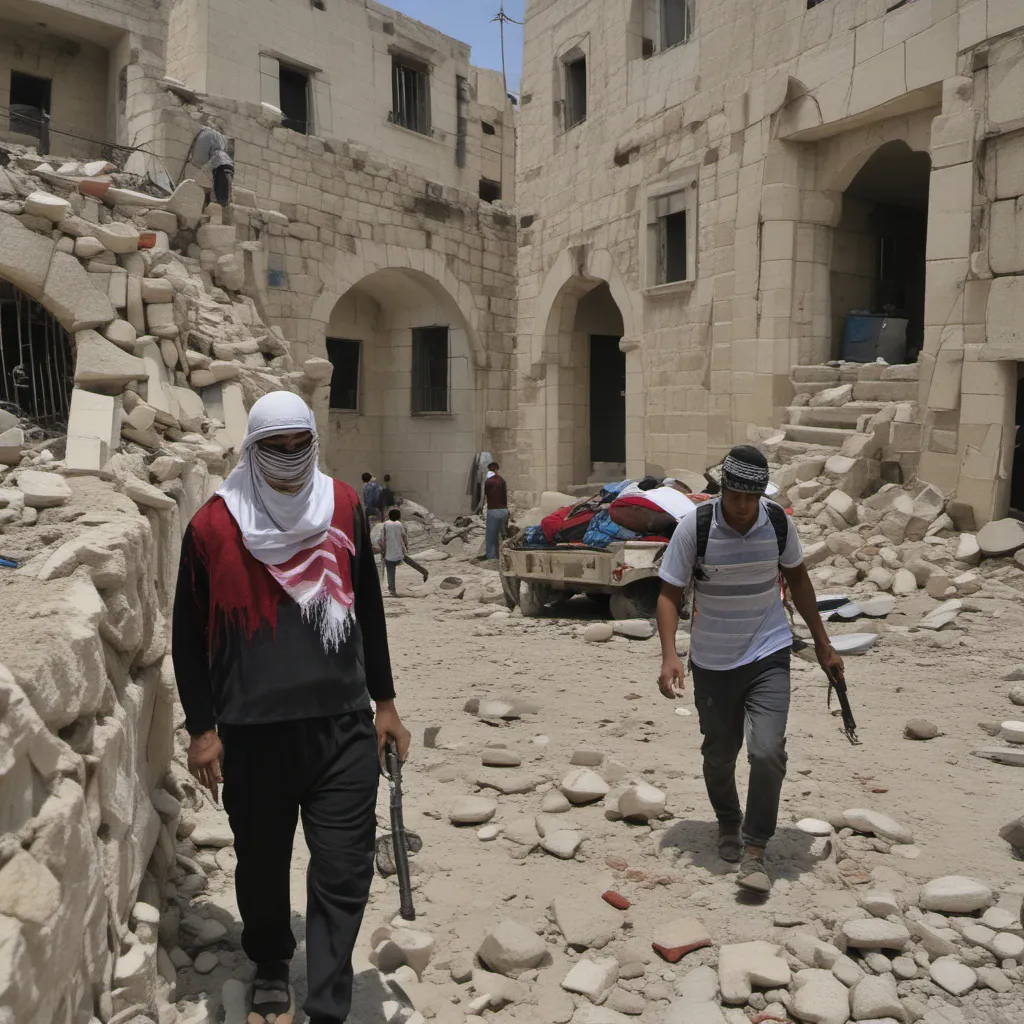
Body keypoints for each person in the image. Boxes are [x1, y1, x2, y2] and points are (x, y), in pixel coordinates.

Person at [172, 392, 410, 1024]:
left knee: (344, 867)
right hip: (251, 733)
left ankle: (328, 1001)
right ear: (251, 449)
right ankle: (272, 961)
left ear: (312, 441)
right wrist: (202, 730)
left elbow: (367, 607)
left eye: (295, 445)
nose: (285, 459)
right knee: (262, 865)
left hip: (342, 725)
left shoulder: (344, 506)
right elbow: (187, 638)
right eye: (271, 448)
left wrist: (384, 702)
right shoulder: (213, 527)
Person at [654, 444, 843, 895]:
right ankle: (728, 822)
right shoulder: (694, 528)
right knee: (719, 754)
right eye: (734, 496)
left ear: (761, 495)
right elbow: (668, 593)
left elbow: (798, 580)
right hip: (713, 661)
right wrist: (668, 655)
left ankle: (755, 848)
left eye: (750, 498)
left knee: (767, 752)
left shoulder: (777, 522)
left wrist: (824, 644)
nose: (741, 507)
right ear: (722, 491)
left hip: (768, 652)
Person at [379, 508, 429, 596]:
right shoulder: (400, 524)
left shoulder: (385, 525)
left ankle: (392, 590)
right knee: (409, 561)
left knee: (390, 571)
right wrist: (406, 546)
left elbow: (382, 541)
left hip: (389, 554)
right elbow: (404, 537)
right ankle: (424, 571)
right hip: (399, 552)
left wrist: (383, 550)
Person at [481, 461, 509, 561]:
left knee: (491, 536)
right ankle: (505, 557)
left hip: (493, 511)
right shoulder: (502, 480)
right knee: (504, 535)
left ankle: (492, 557)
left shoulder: (488, 481)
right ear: (497, 469)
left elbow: (485, 497)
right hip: (504, 510)